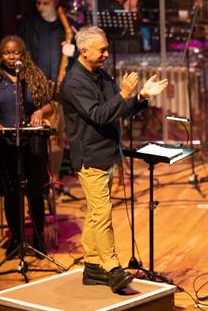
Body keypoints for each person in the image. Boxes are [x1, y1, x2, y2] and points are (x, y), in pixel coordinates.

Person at [61, 26, 168, 292]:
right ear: (84, 51)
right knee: (102, 213)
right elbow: (98, 115)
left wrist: (140, 97)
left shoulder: (100, 75)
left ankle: (93, 265)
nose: (107, 54)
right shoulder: (74, 82)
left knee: (96, 214)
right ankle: (111, 268)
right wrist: (123, 94)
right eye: (102, 49)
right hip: (91, 157)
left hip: (107, 153)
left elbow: (115, 109)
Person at [0, 35, 54, 258]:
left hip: (32, 144)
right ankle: (16, 239)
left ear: (23, 54)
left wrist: (40, 111)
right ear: (1, 56)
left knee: (35, 192)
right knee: (11, 193)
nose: (11, 57)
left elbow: (48, 105)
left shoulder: (33, 76)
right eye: (7, 53)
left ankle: (38, 238)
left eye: (15, 52)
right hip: (5, 144)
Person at [19, 0, 75, 180]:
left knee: (58, 137)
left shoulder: (65, 26)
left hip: (59, 88)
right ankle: (38, 179)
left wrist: (71, 51)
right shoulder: (29, 25)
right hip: (37, 88)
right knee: (37, 136)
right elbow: (23, 56)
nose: (41, 7)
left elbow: (76, 58)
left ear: (56, 1)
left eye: (46, 3)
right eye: (38, 3)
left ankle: (54, 179)